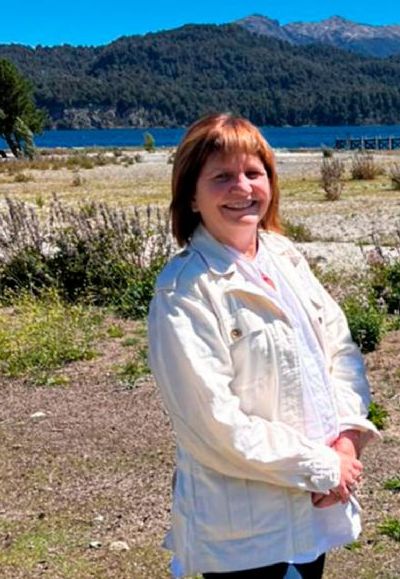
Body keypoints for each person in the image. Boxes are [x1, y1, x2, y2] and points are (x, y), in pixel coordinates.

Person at [148, 113, 378, 578]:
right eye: (222, 177)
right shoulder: (184, 291)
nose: (242, 188)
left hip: (313, 508)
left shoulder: (284, 256)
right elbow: (216, 425)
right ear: (191, 195)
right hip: (247, 532)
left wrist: (347, 442)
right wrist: (322, 467)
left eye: (254, 173)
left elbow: (340, 351)